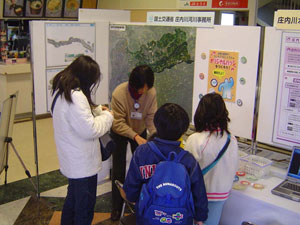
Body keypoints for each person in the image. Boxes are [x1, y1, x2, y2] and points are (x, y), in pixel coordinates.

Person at [51, 55, 114, 225]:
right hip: (82, 165)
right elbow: (91, 129)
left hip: (72, 161)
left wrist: (98, 110)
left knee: (72, 201)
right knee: (84, 209)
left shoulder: (61, 90)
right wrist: (108, 116)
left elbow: (77, 118)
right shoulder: (76, 96)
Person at [123, 103, 208, 225]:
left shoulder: (142, 153)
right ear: (183, 130)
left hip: (147, 218)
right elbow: (199, 194)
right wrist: (200, 217)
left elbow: (131, 189)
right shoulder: (188, 160)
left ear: (156, 124)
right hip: (180, 219)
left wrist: (138, 203)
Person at [110, 64, 157, 220]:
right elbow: (117, 123)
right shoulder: (119, 93)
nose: (144, 92)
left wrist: (157, 136)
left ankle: (139, 202)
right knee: (118, 168)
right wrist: (135, 136)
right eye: (142, 89)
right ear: (133, 84)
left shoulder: (151, 93)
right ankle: (116, 207)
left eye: (147, 89)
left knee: (142, 167)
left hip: (140, 130)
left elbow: (150, 118)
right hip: (120, 132)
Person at [185, 92, 239, 225]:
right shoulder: (231, 139)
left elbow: (185, 170)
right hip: (221, 195)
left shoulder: (196, 139)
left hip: (199, 196)